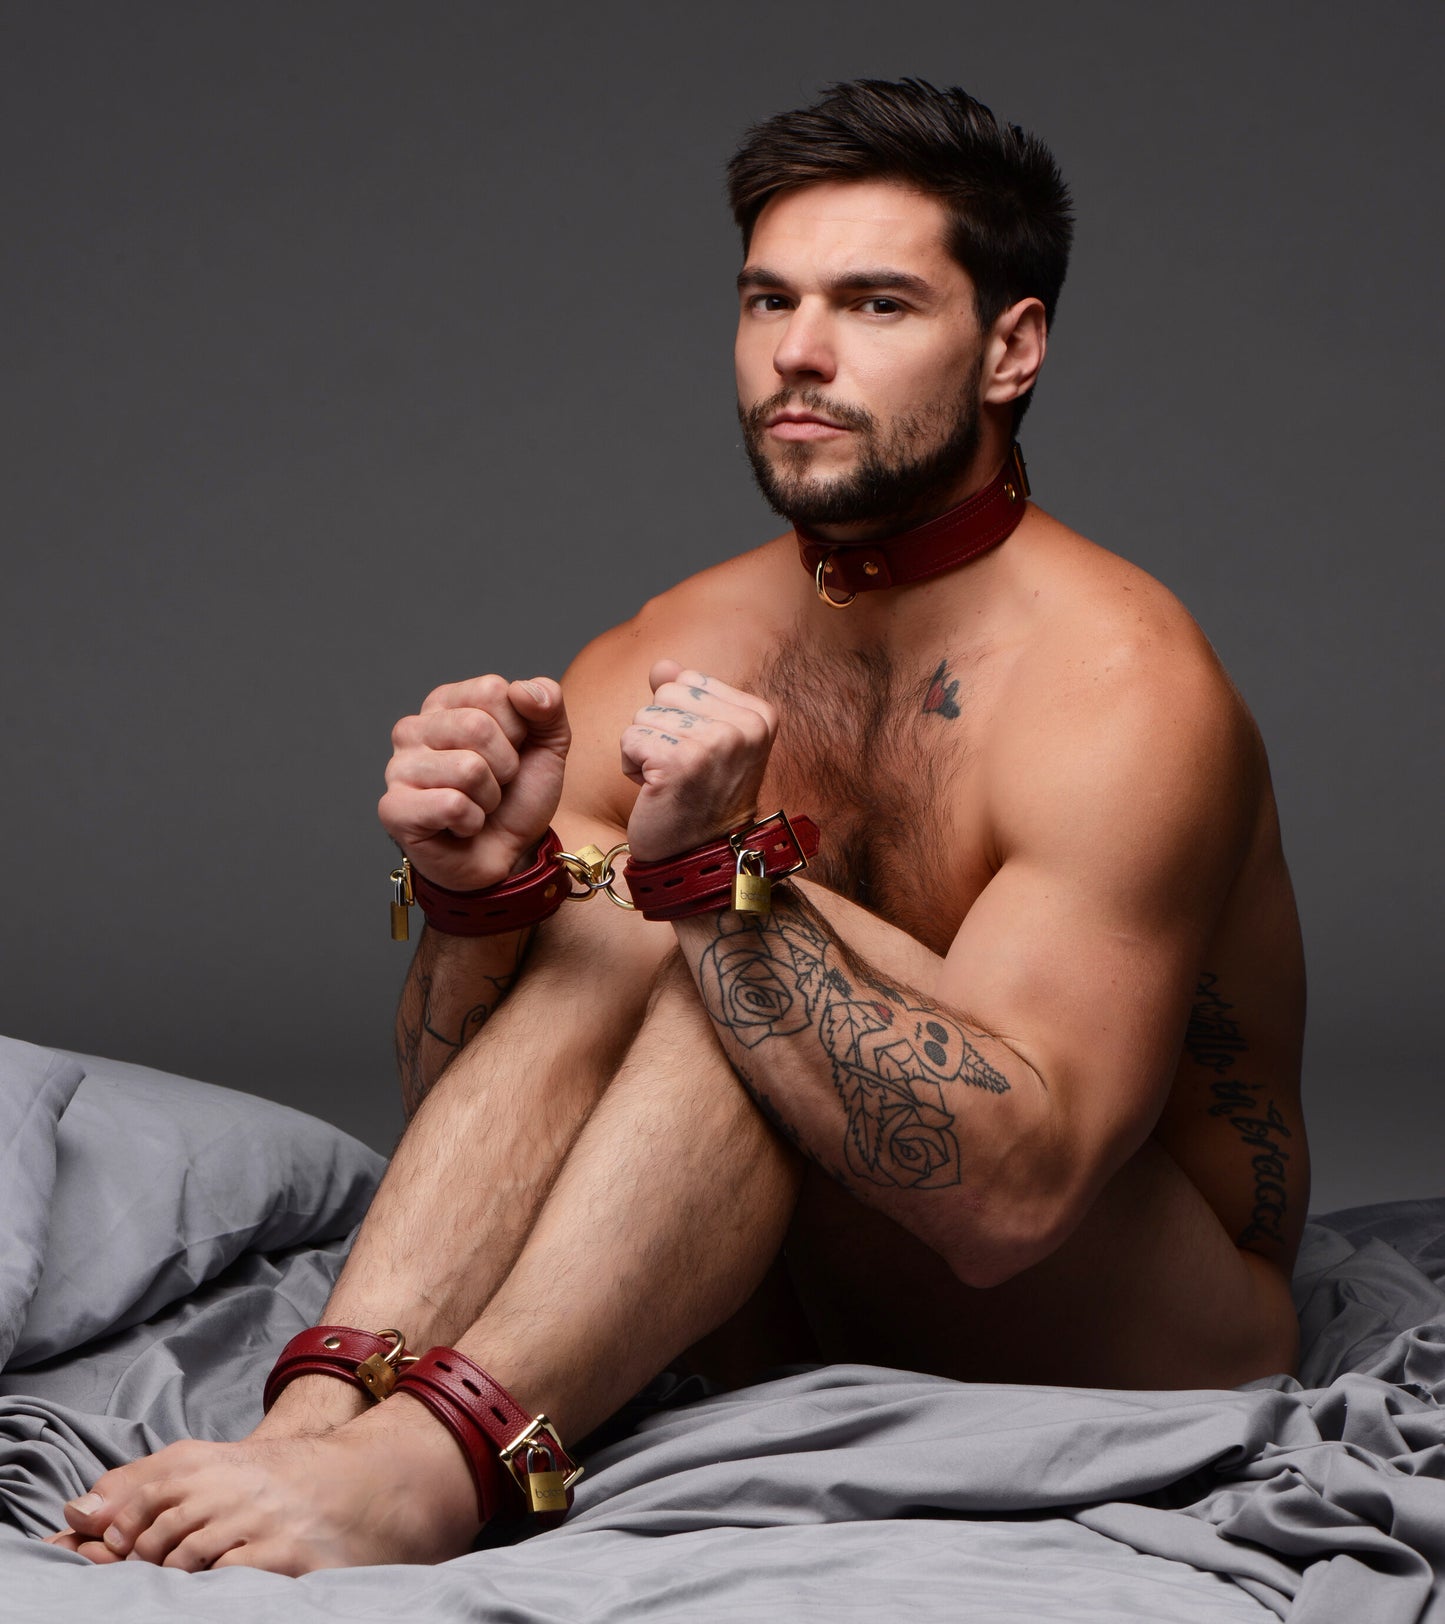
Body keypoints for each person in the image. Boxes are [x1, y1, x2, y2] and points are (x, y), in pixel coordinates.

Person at [55, 77, 1307, 1575]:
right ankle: (313, 1425)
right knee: (623, 927)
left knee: (723, 942)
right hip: (766, 1299)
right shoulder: (675, 639)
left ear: (1009, 350)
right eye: (769, 299)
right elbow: (469, 1105)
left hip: (1120, 1328)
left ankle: (437, 1467)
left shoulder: (1122, 688)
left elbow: (1015, 1202)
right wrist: (478, 898)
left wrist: (716, 887)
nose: (799, 352)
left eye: (877, 304)